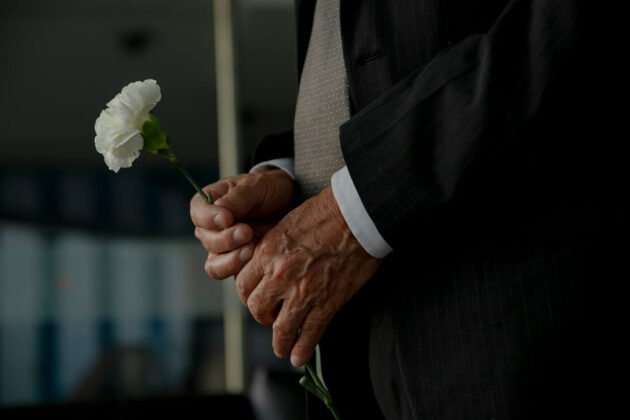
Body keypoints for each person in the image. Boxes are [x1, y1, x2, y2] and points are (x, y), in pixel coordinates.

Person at [192, 0, 613, 418]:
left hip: (518, 328)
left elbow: (561, 26)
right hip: (362, 357)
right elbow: (357, 72)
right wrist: (297, 182)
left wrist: (357, 206)